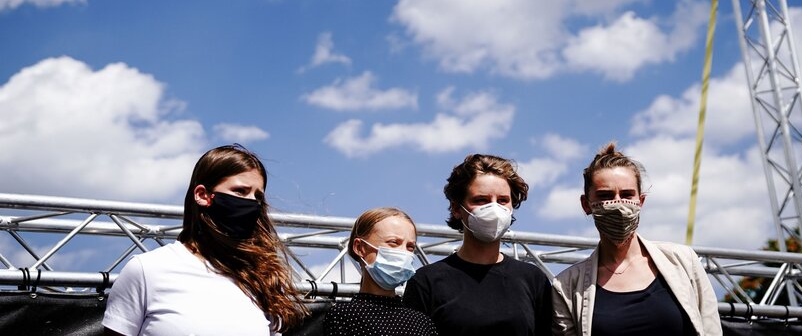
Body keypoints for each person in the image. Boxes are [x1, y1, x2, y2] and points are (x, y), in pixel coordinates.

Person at [103, 144, 307, 336]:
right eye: (240, 191)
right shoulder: (147, 270)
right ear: (202, 195)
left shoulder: (261, 280)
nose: (252, 203)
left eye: (258, 197)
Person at [552, 142, 721, 336]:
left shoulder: (683, 261)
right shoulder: (567, 286)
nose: (618, 204)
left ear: (640, 201)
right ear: (586, 204)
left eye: (626, 195)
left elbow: (711, 329)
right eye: (605, 195)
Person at [402, 154, 553, 336]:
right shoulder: (426, 282)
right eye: (481, 200)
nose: (495, 209)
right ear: (457, 209)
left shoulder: (533, 279)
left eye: (503, 200)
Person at [323, 207, 438, 336]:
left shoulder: (422, 323)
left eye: (410, 246)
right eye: (393, 242)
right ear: (360, 248)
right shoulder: (343, 316)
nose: (404, 252)